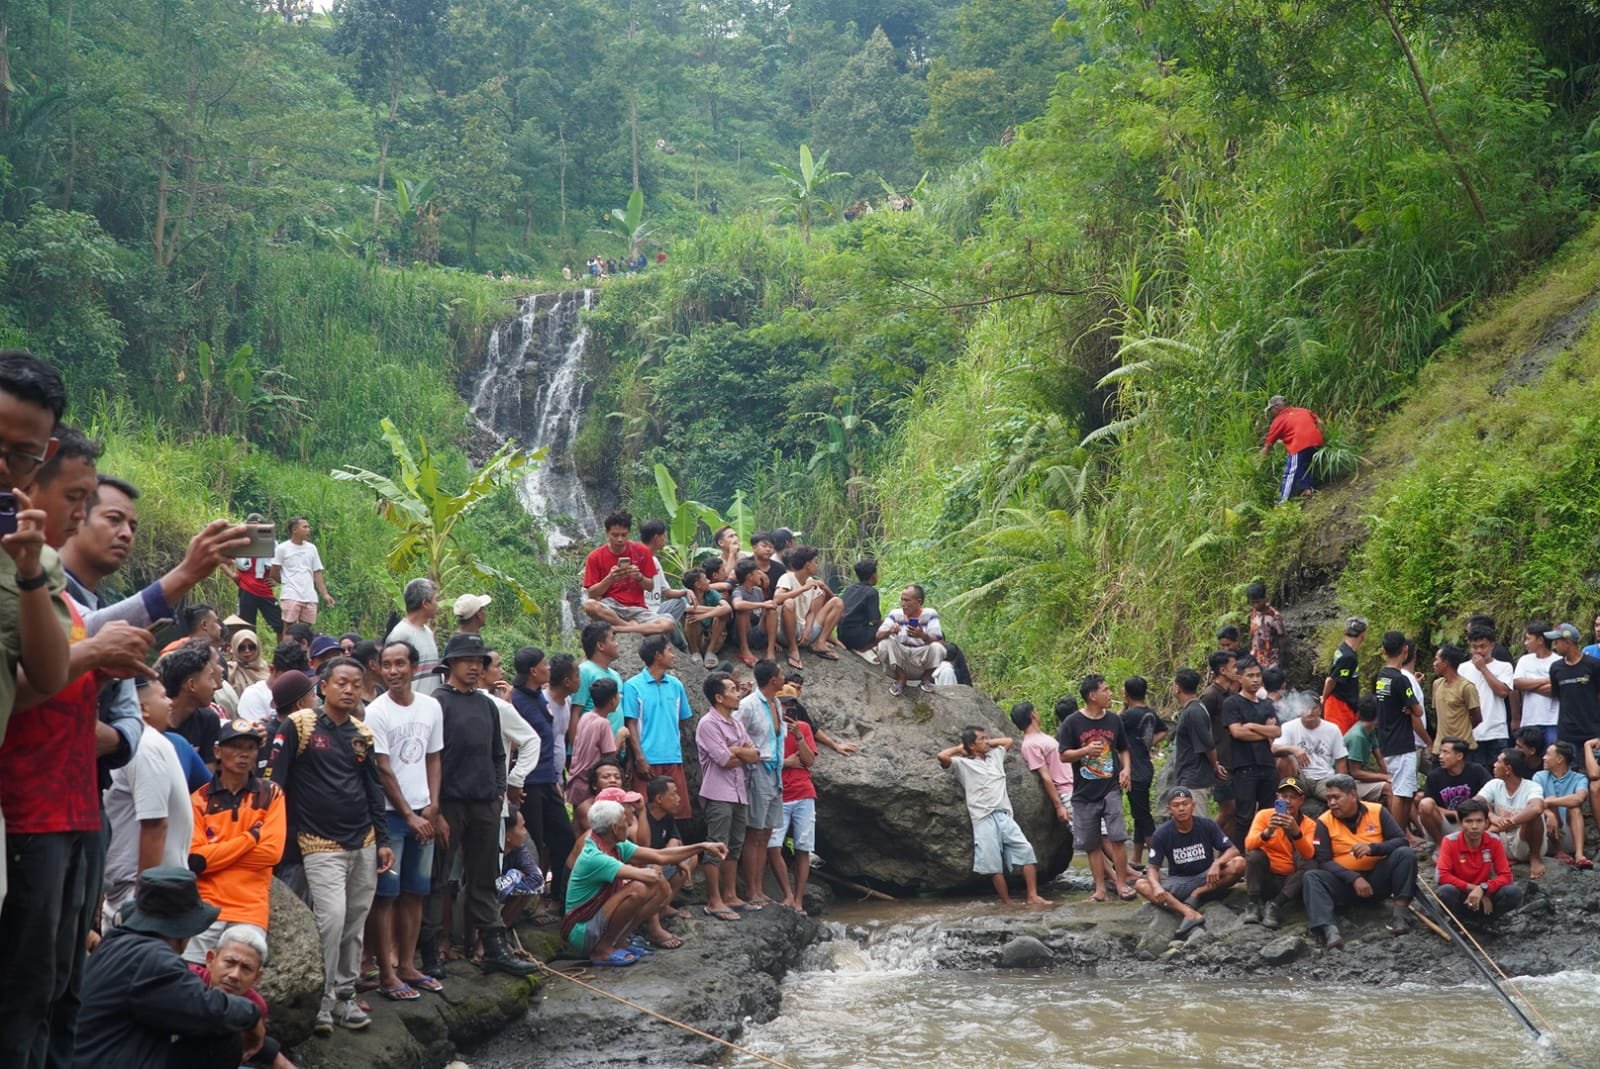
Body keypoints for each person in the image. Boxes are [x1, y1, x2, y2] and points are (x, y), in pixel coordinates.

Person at [267, 657, 393, 1033]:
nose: (349, 689)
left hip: (363, 841)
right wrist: (278, 843)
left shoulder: (361, 733)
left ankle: (345, 997)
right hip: (319, 842)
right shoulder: (300, 725)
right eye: (341, 682)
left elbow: (373, 788)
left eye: (356, 683)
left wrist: (383, 839)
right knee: (331, 921)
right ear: (323, 687)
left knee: (354, 923)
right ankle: (320, 1005)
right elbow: (276, 784)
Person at [69, 867, 262, 1069]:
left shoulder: (116, 943)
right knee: (223, 1039)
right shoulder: (154, 959)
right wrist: (251, 1014)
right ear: (184, 930)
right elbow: (206, 1010)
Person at [432, 634, 538, 977]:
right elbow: (431, 758)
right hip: (450, 803)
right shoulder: (439, 702)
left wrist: (497, 792)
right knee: (440, 879)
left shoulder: (486, 704)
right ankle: (432, 950)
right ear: (451, 665)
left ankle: (493, 947)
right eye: (467, 661)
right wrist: (436, 808)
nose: (475, 667)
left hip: (484, 804)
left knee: (484, 877)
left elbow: (498, 752)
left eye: (479, 661)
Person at [364, 639, 445, 1000]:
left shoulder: (430, 707)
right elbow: (383, 769)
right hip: (391, 818)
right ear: (379, 669)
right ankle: (386, 972)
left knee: (415, 892)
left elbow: (433, 758)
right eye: (387, 664)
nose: (394, 671)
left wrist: (432, 806)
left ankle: (408, 964)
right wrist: (409, 814)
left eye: (400, 664)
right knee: (387, 895)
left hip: (423, 815)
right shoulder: (377, 712)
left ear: (414, 667)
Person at [562, 799, 725, 966]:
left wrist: (703, 846)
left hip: (596, 921)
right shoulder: (594, 856)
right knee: (638, 888)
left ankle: (620, 942)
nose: (630, 823)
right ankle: (603, 950)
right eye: (625, 820)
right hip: (581, 932)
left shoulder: (614, 844)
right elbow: (646, 876)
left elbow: (661, 855)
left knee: (655, 886)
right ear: (614, 828)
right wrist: (659, 876)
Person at [186, 719, 285, 966]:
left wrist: (217, 855)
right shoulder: (198, 799)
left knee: (237, 982)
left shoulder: (271, 794)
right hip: (204, 907)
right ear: (218, 752)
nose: (243, 754)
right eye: (235, 747)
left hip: (249, 909)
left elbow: (272, 853)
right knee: (191, 978)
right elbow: (196, 860)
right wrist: (250, 838)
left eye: (250, 748)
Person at [103, 678, 195, 922]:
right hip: (131, 892)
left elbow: (155, 824)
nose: (171, 702)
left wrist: (142, 903)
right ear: (143, 707)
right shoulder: (143, 743)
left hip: (141, 894)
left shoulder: (143, 746)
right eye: (163, 696)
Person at [937, 726, 1047, 906]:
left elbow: (1008, 741)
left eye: (987, 738)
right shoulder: (963, 764)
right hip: (982, 818)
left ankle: (1032, 895)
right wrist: (960, 748)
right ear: (972, 745)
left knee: (1026, 850)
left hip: (1003, 814)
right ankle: (1006, 901)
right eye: (982, 739)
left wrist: (987, 742)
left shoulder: (995, 756)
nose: (987, 741)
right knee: (992, 863)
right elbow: (942, 757)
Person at [1303, 774, 1417, 949]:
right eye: (1329, 798)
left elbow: (1401, 840)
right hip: (1344, 885)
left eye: (1336, 797)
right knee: (1312, 876)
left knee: (1405, 854)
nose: (1331, 803)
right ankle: (1328, 929)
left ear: (1353, 795)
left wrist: (1373, 848)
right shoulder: (1324, 821)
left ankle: (1400, 915)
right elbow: (1323, 860)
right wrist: (1353, 878)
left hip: (1378, 881)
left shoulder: (1377, 811)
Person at [177, 926, 299, 1069]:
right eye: (229, 962)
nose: (234, 975)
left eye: (246, 968)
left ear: (257, 978)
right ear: (210, 960)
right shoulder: (184, 979)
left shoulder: (255, 1006)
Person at [511, 648, 575, 912]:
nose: (549, 669)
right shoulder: (516, 700)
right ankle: (528, 905)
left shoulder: (539, 697)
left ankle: (557, 897)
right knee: (535, 843)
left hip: (548, 779)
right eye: (544, 665)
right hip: (529, 784)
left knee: (565, 838)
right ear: (533, 671)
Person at [1060, 674, 1134, 901]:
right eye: (1106, 690)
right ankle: (1100, 889)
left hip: (1110, 787)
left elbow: (1123, 748)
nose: (1110, 694)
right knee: (1091, 843)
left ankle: (1121, 884)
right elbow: (1063, 755)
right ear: (1092, 696)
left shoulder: (1114, 719)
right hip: (1083, 793)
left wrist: (1126, 770)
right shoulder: (1072, 723)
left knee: (1118, 837)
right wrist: (1084, 751)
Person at [695, 672, 761, 920]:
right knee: (716, 845)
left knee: (734, 846)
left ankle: (731, 895)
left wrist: (736, 751)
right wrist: (738, 750)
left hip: (739, 792)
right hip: (718, 792)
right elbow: (724, 760)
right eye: (733, 690)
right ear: (719, 697)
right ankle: (714, 900)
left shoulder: (737, 723)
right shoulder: (708, 724)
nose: (738, 693)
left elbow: (755, 755)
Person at [1135, 786, 1243, 937]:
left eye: (1185, 804)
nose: (1181, 809)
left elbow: (1233, 850)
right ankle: (1188, 912)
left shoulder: (1207, 825)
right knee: (1141, 885)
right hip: (1179, 882)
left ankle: (1198, 894)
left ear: (1193, 805)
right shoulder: (1161, 833)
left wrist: (1217, 863)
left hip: (1208, 879)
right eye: (1176, 805)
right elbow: (1153, 867)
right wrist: (1156, 886)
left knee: (1239, 863)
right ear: (1169, 809)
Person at [621, 635, 694, 821]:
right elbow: (631, 723)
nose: (673, 656)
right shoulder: (633, 686)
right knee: (646, 813)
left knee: (676, 813)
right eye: (669, 651)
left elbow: (683, 720)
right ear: (657, 655)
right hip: (648, 759)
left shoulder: (676, 685)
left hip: (673, 757)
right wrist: (639, 757)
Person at [737, 658, 787, 907]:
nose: (784, 676)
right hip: (757, 770)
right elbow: (735, 732)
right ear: (772, 680)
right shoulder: (748, 705)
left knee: (766, 832)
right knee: (754, 832)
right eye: (781, 673)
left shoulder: (775, 702)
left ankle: (759, 889)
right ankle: (752, 889)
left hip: (775, 772)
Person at [581, 510, 673, 635]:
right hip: (610, 607)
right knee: (590, 606)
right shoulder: (595, 556)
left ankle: (619, 629)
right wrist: (609, 579)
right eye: (615, 535)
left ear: (629, 533)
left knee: (668, 624)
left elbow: (650, 587)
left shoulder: (642, 551)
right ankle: (629, 626)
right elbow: (592, 594)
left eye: (624, 535)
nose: (620, 539)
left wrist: (639, 577)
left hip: (637, 609)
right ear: (607, 533)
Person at [1374, 631, 1430, 834]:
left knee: (1406, 792)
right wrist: (1410, 707)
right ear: (1405, 650)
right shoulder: (1400, 680)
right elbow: (1418, 710)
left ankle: (1401, 837)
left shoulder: (1381, 677)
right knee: (1400, 792)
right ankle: (1397, 837)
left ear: (1383, 651)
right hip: (1401, 742)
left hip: (1388, 739)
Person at [1243, 777, 1317, 928]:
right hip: (1267, 877)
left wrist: (1296, 832)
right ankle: (1252, 904)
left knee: (1312, 865)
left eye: (1293, 797)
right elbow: (1249, 845)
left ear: (1301, 800)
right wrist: (1268, 831)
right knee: (1254, 856)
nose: (1288, 801)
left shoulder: (1310, 824)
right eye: (1284, 797)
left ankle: (1275, 906)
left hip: (1291, 883)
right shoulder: (1264, 815)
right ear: (1277, 797)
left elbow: (1309, 854)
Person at [769, 690, 818, 912]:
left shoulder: (804, 728)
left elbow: (809, 761)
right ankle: (787, 895)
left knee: (803, 847)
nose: (788, 710)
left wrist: (798, 736)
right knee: (773, 845)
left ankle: (798, 900)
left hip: (803, 792)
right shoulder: (769, 729)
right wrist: (785, 763)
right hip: (778, 793)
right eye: (784, 705)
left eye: (791, 706)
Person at [1435, 798, 1523, 921]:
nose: (1474, 826)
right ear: (1460, 823)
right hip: (1462, 894)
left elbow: (1506, 876)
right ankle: (1463, 921)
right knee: (1445, 891)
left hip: (1487, 892)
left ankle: (1489, 920)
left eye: (1479, 821)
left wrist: (1483, 889)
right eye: (1469, 821)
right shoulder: (1449, 841)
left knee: (1513, 892)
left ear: (1487, 823)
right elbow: (1443, 876)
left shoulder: (1494, 841)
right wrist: (1474, 889)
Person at [1222, 659, 1280, 844]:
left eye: (1258, 675)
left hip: (1267, 765)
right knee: (1244, 816)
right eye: (1250, 676)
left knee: (1268, 814)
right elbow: (1237, 732)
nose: (1255, 680)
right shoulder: (1232, 703)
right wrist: (1265, 731)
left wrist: (1253, 726)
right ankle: (1240, 856)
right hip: (1244, 767)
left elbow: (1277, 731)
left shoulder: (1266, 704)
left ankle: (1266, 853)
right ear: (1239, 678)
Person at [1120, 677, 1167, 871]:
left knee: (1143, 817)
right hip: (1146, 767)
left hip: (1134, 771)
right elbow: (1163, 730)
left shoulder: (1127, 716)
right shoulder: (1150, 713)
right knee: (1140, 815)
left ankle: (1155, 860)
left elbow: (1114, 731)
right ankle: (1137, 858)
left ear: (1126, 693)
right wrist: (1147, 743)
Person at [1013, 702, 1074, 855]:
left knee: (1093, 835)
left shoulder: (1040, 738)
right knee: (1089, 837)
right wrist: (1059, 806)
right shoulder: (1030, 744)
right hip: (1065, 791)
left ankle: (1117, 872)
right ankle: (1116, 874)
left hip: (1074, 786)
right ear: (1033, 714)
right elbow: (1045, 776)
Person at [1475, 748, 1545, 879]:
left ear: (1508, 769)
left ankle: (1535, 858)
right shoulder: (1494, 784)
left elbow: (1536, 808)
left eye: (1498, 761)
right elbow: (1477, 802)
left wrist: (1508, 822)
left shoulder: (1532, 787)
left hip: (1525, 843)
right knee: (1476, 813)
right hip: (1501, 840)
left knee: (1534, 818)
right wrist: (1491, 816)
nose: (1494, 765)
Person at [774, 546, 844, 668]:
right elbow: (777, 599)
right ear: (807, 565)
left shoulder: (810, 580)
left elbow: (811, 611)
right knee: (789, 603)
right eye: (815, 562)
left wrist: (808, 630)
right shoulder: (787, 578)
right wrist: (803, 589)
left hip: (805, 631)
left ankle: (820, 642)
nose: (816, 565)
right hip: (787, 633)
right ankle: (793, 648)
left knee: (837, 602)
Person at [1272, 692, 1349, 801]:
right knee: (1284, 758)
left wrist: (1342, 786)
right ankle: (1285, 803)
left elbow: (1340, 760)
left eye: (1314, 708)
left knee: (1339, 800)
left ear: (1320, 709)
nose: (1310, 712)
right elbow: (1274, 749)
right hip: (1299, 776)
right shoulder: (1289, 727)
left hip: (1323, 778)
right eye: (1305, 707)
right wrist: (1293, 749)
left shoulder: (1332, 729)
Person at [1170, 668, 1224, 816]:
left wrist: (1214, 766)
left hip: (1194, 779)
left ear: (1177, 688)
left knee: (1198, 824)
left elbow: (1208, 745)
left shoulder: (1193, 712)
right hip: (1189, 777)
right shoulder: (1195, 709)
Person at [874, 584, 945, 696]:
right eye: (902, 600)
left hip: (920, 663)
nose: (903, 604)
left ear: (919, 601)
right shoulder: (895, 614)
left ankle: (925, 679)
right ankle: (901, 678)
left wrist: (922, 635)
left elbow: (939, 641)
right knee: (885, 643)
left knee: (938, 648)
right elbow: (878, 636)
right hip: (899, 663)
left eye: (907, 600)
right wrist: (890, 631)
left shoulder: (930, 614)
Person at [1417, 737, 1490, 843]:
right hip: (1446, 823)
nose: (1440, 756)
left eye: (1446, 752)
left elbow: (1491, 792)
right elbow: (1432, 806)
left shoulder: (1477, 770)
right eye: (1441, 752)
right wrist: (1453, 813)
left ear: (1459, 756)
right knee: (1425, 803)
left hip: (1473, 822)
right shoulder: (1434, 775)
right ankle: (1440, 844)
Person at [1462, 626, 1514, 771]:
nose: (1479, 651)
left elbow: (1503, 692)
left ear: (1492, 645)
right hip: (1471, 734)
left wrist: (1483, 669)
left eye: (1483, 646)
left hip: (1496, 732)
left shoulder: (1504, 667)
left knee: (1499, 775)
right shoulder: (1462, 669)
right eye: (1474, 647)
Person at [1199, 650, 1239, 834]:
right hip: (1220, 761)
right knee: (1228, 808)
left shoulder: (1231, 693)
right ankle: (1205, 839)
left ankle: (1227, 850)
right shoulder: (1210, 696)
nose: (1237, 670)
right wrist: (1212, 761)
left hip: (1234, 759)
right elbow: (1201, 728)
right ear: (1222, 670)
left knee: (1235, 810)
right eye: (1234, 667)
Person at [1546, 622, 1600, 756]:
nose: (1555, 646)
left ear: (1568, 642)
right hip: (1567, 733)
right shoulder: (1555, 668)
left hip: (1592, 731)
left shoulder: (1593, 665)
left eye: (1557, 642)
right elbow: (1559, 696)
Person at [1534, 741, 1589, 868]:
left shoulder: (1580, 778)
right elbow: (1535, 803)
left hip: (1571, 833)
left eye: (1548, 754)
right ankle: (1558, 850)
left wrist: (1548, 801)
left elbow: (1578, 799)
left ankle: (1579, 855)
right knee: (1549, 808)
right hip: (1546, 834)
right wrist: (1549, 813)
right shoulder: (1539, 776)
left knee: (1574, 808)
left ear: (1559, 759)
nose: (1544, 758)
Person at [1260, 394, 1324, 502]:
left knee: (1290, 473)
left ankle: (1282, 502)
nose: (1272, 412)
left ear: (1276, 408)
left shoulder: (1278, 420)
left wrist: (1260, 463)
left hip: (1299, 445)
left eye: (1271, 410)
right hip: (1316, 442)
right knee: (1302, 465)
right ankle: (1307, 489)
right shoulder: (1302, 410)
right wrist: (1321, 437)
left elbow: (1268, 445)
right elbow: (1320, 422)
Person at [568, 677, 620, 808]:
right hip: (590, 784)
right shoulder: (603, 723)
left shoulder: (586, 717)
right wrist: (621, 736)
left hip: (577, 781)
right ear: (613, 700)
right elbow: (609, 757)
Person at [273, 517, 333, 626]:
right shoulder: (282, 548)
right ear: (295, 530)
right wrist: (287, 582)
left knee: (305, 629)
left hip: (309, 595)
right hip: (290, 595)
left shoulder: (312, 548)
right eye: (305, 527)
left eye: (308, 527)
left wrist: (325, 594)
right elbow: (274, 572)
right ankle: (287, 644)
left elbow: (317, 573)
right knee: (289, 627)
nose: (308, 529)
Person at [229, 513, 282, 639]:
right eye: (250, 526)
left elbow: (281, 565)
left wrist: (276, 580)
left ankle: (282, 655)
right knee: (247, 627)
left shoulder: (272, 544)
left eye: (256, 526)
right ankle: (249, 655)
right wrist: (233, 576)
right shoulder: (240, 542)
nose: (253, 529)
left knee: (280, 625)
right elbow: (222, 558)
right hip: (246, 589)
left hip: (265, 590)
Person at [236, 640, 309, 725]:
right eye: (285, 678)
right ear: (272, 670)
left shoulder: (306, 693)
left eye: (297, 680)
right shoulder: (253, 696)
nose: (292, 685)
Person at [1513, 621, 1560, 749]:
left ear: (1540, 640)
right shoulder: (1524, 660)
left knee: (1552, 753)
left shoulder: (1557, 661)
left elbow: (1556, 689)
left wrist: (1529, 686)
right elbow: (1517, 683)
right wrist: (1545, 680)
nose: (1525, 643)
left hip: (1552, 720)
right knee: (1527, 757)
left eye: (1528, 639)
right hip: (1529, 720)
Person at [1430, 644, 1479, 757]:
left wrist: (1462, 728)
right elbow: (1437, 715)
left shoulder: (1466, 687)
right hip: (1440, 748)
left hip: (1462, 749)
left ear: (1446, 663)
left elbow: (1477, 717)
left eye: (1436, 660)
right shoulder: (1437, 684)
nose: (1434, 663)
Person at [1321, 616, 1366, 732]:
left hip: (1342, 704)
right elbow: (1331, 680)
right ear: (1363, 635)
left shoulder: (1342, 649)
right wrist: (1324, 698)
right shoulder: (1349, 657)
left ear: (1344, 632)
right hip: (1339, 706)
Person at [386, 578, 440, 672]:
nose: (437, 605)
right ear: (425, 603)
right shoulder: (400, 634)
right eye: (436, 600)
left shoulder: (428, 632)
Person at [682, 565, 731, 669]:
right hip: (696, 637)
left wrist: (704, 615)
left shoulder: (711, 593)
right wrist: (715, 609)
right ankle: (694, 651)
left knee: (722, 614)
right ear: (698, 585)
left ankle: (710, 650)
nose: (709, 581)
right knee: (691, 617)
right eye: (705, 579)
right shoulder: (686, 595)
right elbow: (688, 609)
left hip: (713, 635)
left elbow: (727, 608)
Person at [838, 558, 882, 654]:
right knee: (886, 627)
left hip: (841, 634)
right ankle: (865, 649)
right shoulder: (872, 592)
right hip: (856, 637)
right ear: (873, 576)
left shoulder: (850, 588)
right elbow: (875, 620)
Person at [1246, 581, 1284, 670]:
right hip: (1256, 655)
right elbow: (1253, 634)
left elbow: (1281, 636)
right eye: (1253, 602)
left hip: (1271, 658)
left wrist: (1281, 656)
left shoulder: (1274, 616)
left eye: (1258, 602)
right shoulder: (1254, 613)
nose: (1256, 605)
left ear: (1265, 598)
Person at [228, 629, 268, 693]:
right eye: (241, 647)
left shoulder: (266, 668)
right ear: (235, 648)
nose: (247, 651)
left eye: (251, 647)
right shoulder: (230, 670)